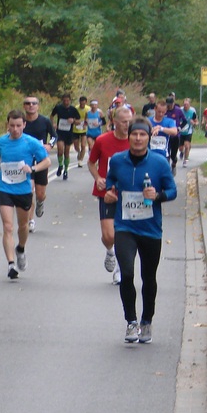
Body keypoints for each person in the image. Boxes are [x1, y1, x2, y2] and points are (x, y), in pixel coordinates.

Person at [103, 118, 178, 344]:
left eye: (142, 135)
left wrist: (158, 196)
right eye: (134, 134)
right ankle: (131, 322)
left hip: (150, 228)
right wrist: (109, 194)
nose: (138, 139)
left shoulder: (159, 163)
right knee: (126, 274)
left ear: (148, 138)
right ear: (129, 137)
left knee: (148, 277)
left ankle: (147, 320)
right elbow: (110, 183)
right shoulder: (117, 161)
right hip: (125, 226)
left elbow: (172, 190)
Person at [0, 109, 52, 279]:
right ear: (7, 126)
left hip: (23, 189)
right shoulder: (1, 141)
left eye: (18, 125)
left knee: (22, 227)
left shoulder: (31, 143)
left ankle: (21, 248)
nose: (15, 129)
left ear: (24, 125)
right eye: (12, 126)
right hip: (5, 188)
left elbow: (47, 161)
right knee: (8, 226)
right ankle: (10, 264)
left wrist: (32, 168)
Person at [87, 104, 132, 285]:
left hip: (129, 193)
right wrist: (97, 177)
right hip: (106, 192)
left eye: (129, 122)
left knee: (124, 233)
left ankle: (120, 270)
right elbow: (91, 163)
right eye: (123, 122)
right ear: (114, 122)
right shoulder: (102, 140)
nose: (127, 125)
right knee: (109, 236)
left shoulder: (136, 140)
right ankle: (110, 251)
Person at [21, 95, 56, 232]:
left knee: (40, 194)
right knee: (29, 191)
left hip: (41, 160)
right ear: (24, 106)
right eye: (28, 103)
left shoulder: (45, 121)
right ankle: (30, 221)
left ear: (38, 106)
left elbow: (54, 136)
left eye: (34, 103)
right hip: (26, 161)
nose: (31, 105)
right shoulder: (21, 122)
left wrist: (50, 145)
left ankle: (40, 202)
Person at [51, 93, 79, 181]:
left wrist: (73, 121)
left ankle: (66, 170)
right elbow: (52, 116)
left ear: (70, 100)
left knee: (66, 153)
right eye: (64, 101)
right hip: (60, 132)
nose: (66, 102)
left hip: (69, 133)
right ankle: (60, 165)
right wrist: (53, 124)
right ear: (62, 100)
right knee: (60, 150)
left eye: (67, 100)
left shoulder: (73, 109)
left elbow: (79, 121)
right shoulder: (58, 108)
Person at [148, 99, 178, 169]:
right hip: (149, 155)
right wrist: (152, 130)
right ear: (155, 109)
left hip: (164, 155)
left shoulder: (169, 121)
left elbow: (174, 132)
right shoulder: (148, 120)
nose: (161, 114)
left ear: (166, 111)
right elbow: (142, 131)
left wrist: (161, 128)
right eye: (159, 112)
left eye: (163, 112)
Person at [164, 96, 187, 173]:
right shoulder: (164, 110)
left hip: (175, 136)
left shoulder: (178, 110)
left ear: (173, 103)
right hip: (166, 135)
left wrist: (179, 128)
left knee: (173, 155)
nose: (169, 106)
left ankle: (174, 164)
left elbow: (184, 121)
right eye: (167, 104)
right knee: (166, 154)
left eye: (170, 104)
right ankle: (166, 170)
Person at [179, 98, 197, 167]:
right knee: (180, 148)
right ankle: (182, 152)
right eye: (184, 104)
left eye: (187, 104)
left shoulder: (192, 112)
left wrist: (194, 123)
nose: (185, 106)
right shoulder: (180, 110)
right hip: (180, 131)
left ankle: (185, 160)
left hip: (188, 131)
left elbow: (196, 121)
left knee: (187, 146)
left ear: (189, 105)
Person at [74, 95, 90, 166]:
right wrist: (75, 121)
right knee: (76, 146)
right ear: (79, 102)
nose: (82, 105)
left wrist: (86, 123)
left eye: (84, 103)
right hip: (75, 129)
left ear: (86, 102)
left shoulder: (88, 109)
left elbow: (90, 118)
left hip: (84, 129)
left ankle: (80, 160)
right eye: (81, 103)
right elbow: (72, 117)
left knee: (83, 145)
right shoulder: (76, 108)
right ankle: (79, 152)